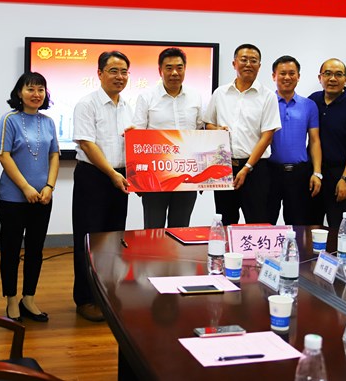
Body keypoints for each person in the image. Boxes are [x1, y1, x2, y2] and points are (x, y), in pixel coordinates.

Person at [72, 51, 133, 322]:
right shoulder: (87, 104)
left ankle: (107, 294)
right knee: (89, 240)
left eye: (124, 72)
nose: (119, 77)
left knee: (112, 240)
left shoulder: (128, 106)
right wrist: (111, 174)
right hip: (94, 178)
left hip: (120, 179)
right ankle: (85, 298)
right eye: (113, 71)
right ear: (99, 73)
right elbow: (87, 144)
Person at [0, 72, 59, 323]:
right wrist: (25, 188)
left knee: (36, 250)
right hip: (13, 198)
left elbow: (54, 155)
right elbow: (4, 156)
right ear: (19, 93)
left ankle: (28, 298)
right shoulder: (9, 119)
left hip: (42, 198)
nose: (36, 94)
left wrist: (49, 186)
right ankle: (11, 299)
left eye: (40, 89)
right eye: (30, 89)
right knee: (10, 250)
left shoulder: (48, 121)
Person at [204, 44, 281, 225]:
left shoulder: (268, 96)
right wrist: (216, 130)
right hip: (225, 167)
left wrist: (247, 167)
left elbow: (267, 136)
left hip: (256, 169)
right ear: (234, 63)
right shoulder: (220, 93)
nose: (248, 64)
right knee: (225, 221)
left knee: (257, 222)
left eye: (253, 61)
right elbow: (208, 124)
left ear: (259, 66)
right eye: (243, 60)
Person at [132, 47, 203, 228]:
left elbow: (200, 134)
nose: (174, 73)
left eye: (179, 67)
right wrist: (138, 180)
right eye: (169, 68)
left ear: (185, 69)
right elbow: (138, 137)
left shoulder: (195, 96)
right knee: (153, 229)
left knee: (180, 229)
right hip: (155, 178)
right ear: (160, 70)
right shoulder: (146, 97)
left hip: (187, 177)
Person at [308, 58, 346, 227]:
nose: (332, 78)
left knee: (338, 228)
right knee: (311, 226)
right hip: (314, 173)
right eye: (327, 73)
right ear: (320, 77)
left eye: (338, 74)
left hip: (341, 173)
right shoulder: (313, 101)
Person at [267, 55, 322, 225]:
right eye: (282, 73)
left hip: (299, 174)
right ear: (274, 76)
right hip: (269, 172)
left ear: (298, 76)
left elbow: (314, 140)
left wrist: (317, 173)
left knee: (298, 225)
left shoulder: (309, 105)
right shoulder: (266, 103)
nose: (287, 77)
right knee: (265, 223)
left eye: (292, 73)